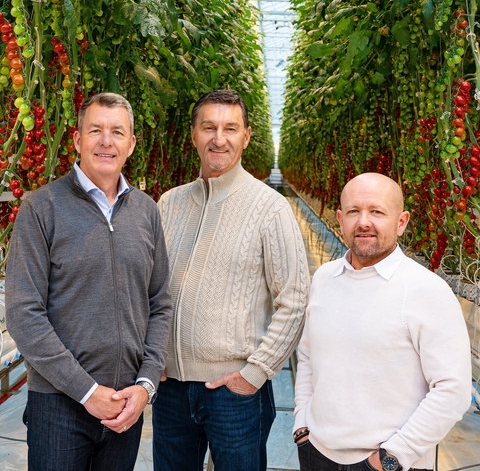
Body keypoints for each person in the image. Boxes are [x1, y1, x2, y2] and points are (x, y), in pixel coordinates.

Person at [6, 92, 173, 471]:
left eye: (117, 132)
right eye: (95, 129)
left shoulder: (146, 211)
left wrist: (146, 385)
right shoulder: (41, 207)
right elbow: (23, 314)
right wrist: (87, 391)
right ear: (77, 139)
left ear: (131, 144)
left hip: (125, 404)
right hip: (58, 404)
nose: (105, 141)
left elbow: (160, 301)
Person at [153, 89, 310, 471]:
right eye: (208, 127)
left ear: (247, 136)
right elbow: (149, 289)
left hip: (234, 392)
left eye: (230, 128)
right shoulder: (168, 203)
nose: (218, 138)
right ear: (193, 134)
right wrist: (151, 358)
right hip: (169, 388)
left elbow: (296, 297)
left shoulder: (270, 207)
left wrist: (255, 374)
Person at [293, 172, 472, 471]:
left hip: (388, 462)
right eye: (353, 211)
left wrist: (391, 458)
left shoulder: (426, 290)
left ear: (401, 222)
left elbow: (453, 390)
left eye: (376, 211)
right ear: (340, 218)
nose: (364, 222)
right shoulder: (324, 278)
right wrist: (302, 425)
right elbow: (309, 356)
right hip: (317, 454)